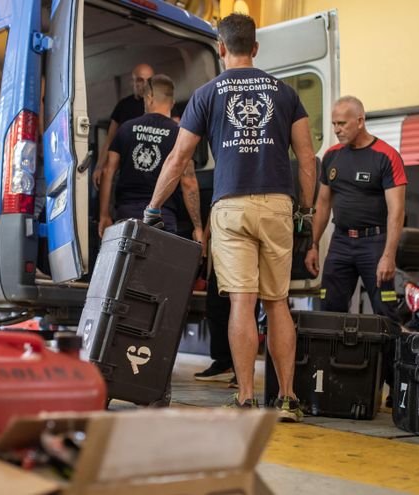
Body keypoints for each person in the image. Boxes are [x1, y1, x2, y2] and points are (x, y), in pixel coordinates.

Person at [145, 13, 317, 421]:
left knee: (242, 301)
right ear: (255, 48)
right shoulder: (286, 93)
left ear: (221, 48)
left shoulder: (206, 94)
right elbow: (308, 159)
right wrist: (306, 213)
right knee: (277, 303)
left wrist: (153, 207)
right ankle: (288, 400)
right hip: (278, 204)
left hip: (230, 206)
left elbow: (178, 158)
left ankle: (244, 398)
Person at [304, 96, 406, 322]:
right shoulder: (331, 156)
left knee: (385, 312)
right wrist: (313, 245)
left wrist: (388, 256)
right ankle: (334, 358)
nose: (337, 130)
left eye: (342, 124)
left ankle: (388, 358)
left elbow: (397, 212)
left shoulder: (386, 156)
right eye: (334, 124)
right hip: (340, 242)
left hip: (375, 243)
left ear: (360, 121)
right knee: (330, 309)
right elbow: (322, 204)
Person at [98, 74, 203, 240]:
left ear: (149, 98)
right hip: (162, 216)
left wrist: (104, 214)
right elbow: (188, 181)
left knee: (126, 265)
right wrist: (198, 227)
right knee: (160, 264)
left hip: (127, 214)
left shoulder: (126, 128)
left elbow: (108, 171)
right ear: (172, 103)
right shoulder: (179, 134)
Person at [92, 64, 154, 189]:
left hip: (154, 169)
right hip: (126, 171)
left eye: (149, 80)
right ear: (133, 81)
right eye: (140, 80)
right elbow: (109, 139)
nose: (145, 85)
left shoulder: (160, 105)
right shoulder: (123, 106)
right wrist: (99, 166)